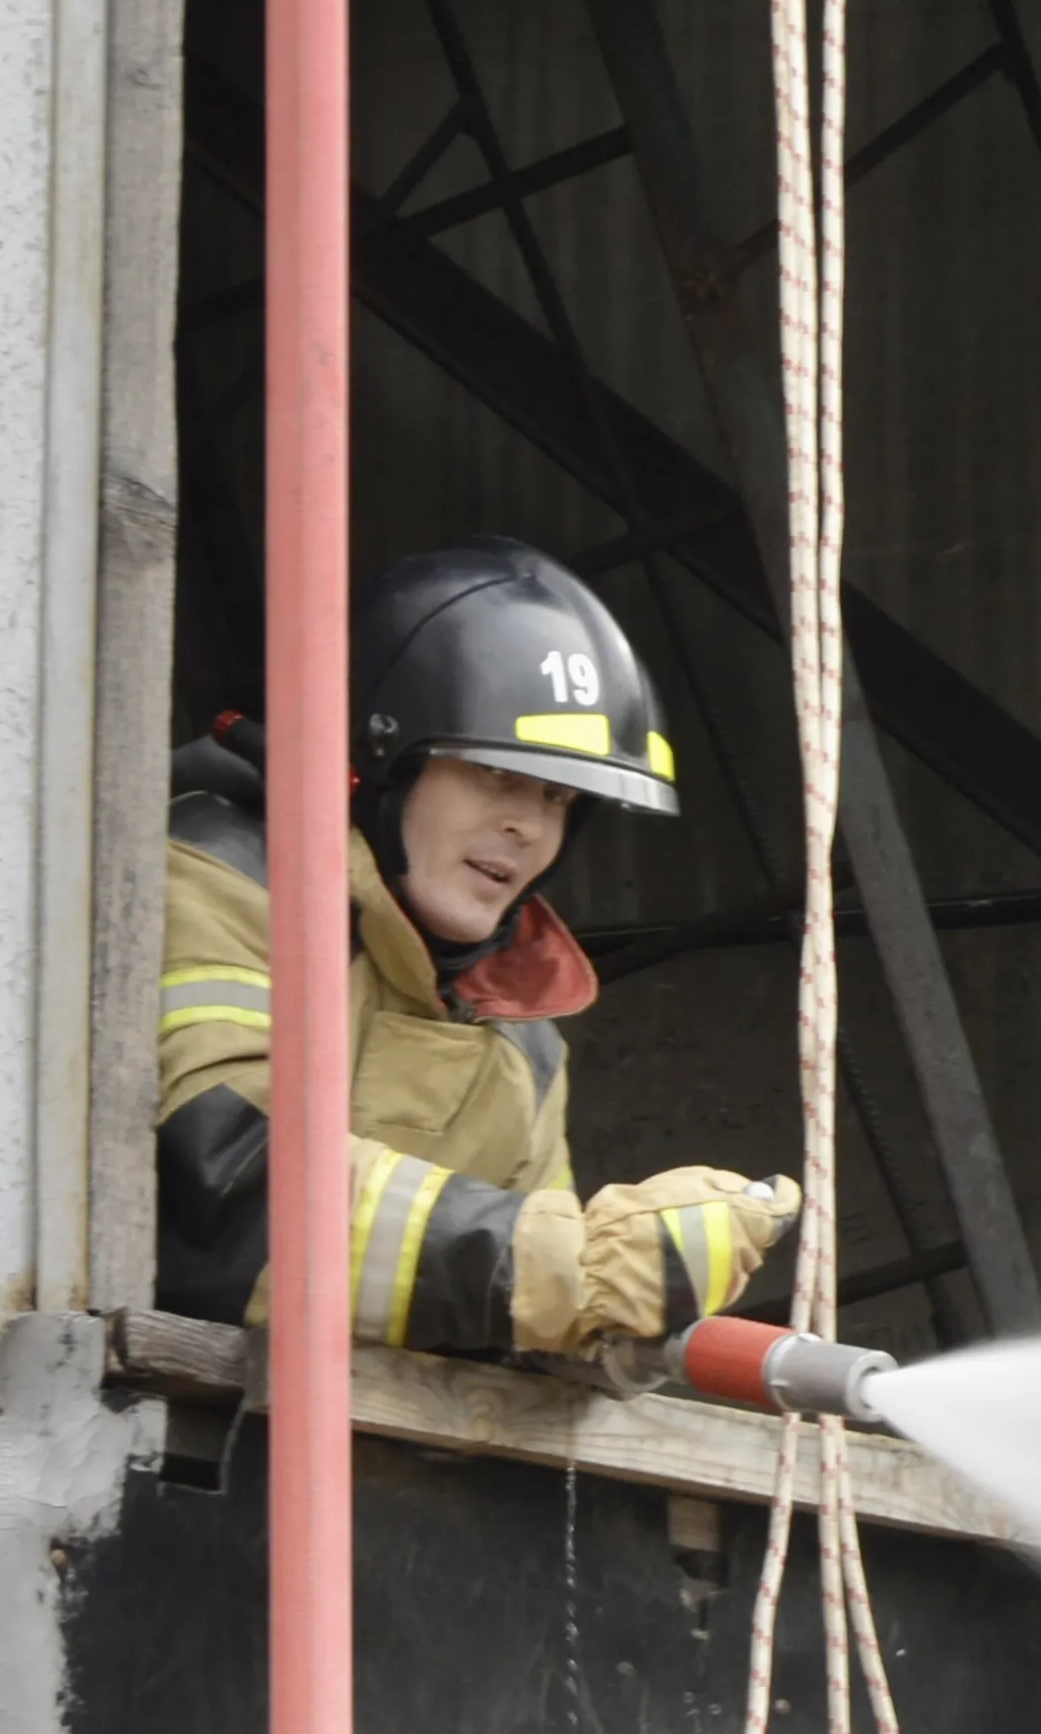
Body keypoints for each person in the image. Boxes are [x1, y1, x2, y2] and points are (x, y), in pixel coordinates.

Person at [156, 537, 798, 1353]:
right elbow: (225, 1198)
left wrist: (625, 1325)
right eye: (496, 774)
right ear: (378, 760)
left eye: (559, 797)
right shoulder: (218, 883)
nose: (528, 827)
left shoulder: (524, 1038)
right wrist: (574, 1270)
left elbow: (531, 1322)